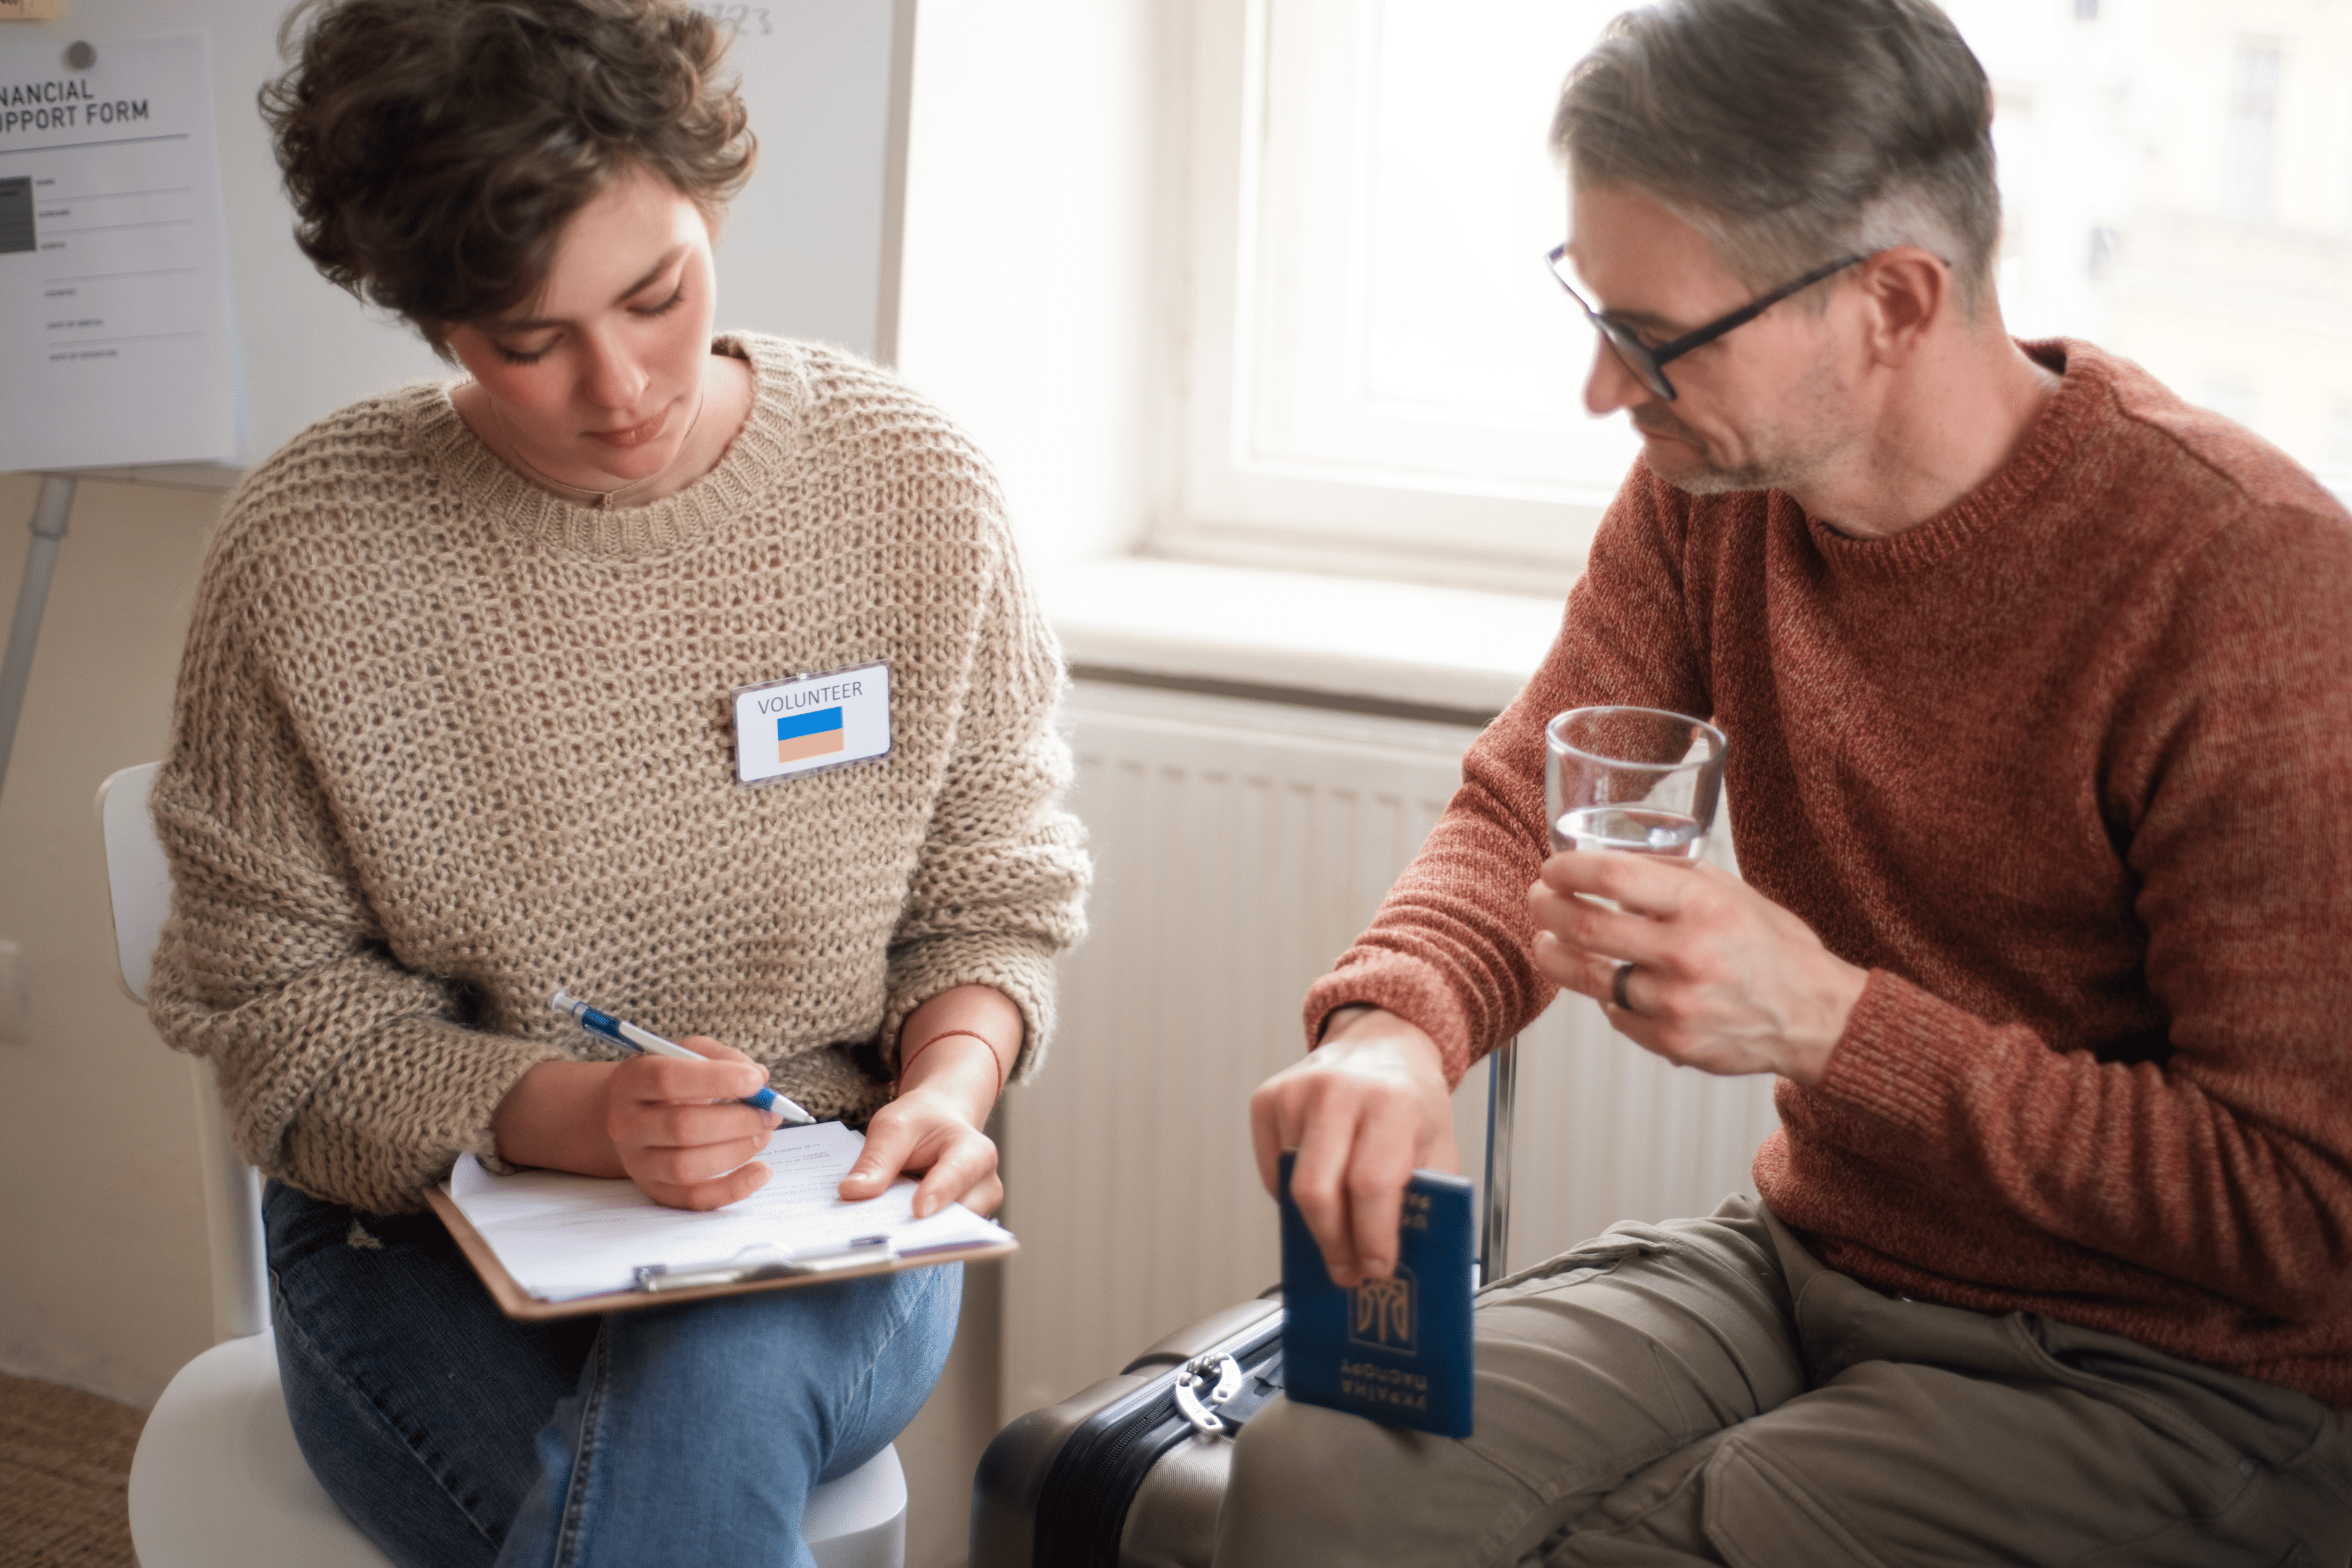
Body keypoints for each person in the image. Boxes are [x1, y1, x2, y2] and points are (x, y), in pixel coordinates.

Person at [1219, 1, 2352, 1563]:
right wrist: (1395, 1030)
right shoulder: (1714, 489)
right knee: (1318, 1469)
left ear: (1892, 300)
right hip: (1815, 1258)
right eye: (1592, 311)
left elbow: (2304, 1210)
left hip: (2182, 1366)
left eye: (1656, 339)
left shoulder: (2248, 582)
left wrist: (1836, 1024)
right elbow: (1530, 801)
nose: (1604, 394)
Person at [144, 2, 1088, 1564]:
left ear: (709, 198)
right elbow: (274, 1020)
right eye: (528, 338)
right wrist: (575, 1116)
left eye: (656, 295)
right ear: (430, 314)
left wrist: (948, 1085)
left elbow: (992, 891)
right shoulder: (308, 557)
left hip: (823, 1219)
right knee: (643, 1502)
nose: (623, 384)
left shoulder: (911, 487)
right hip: (418, 1231)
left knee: (703, 1393)